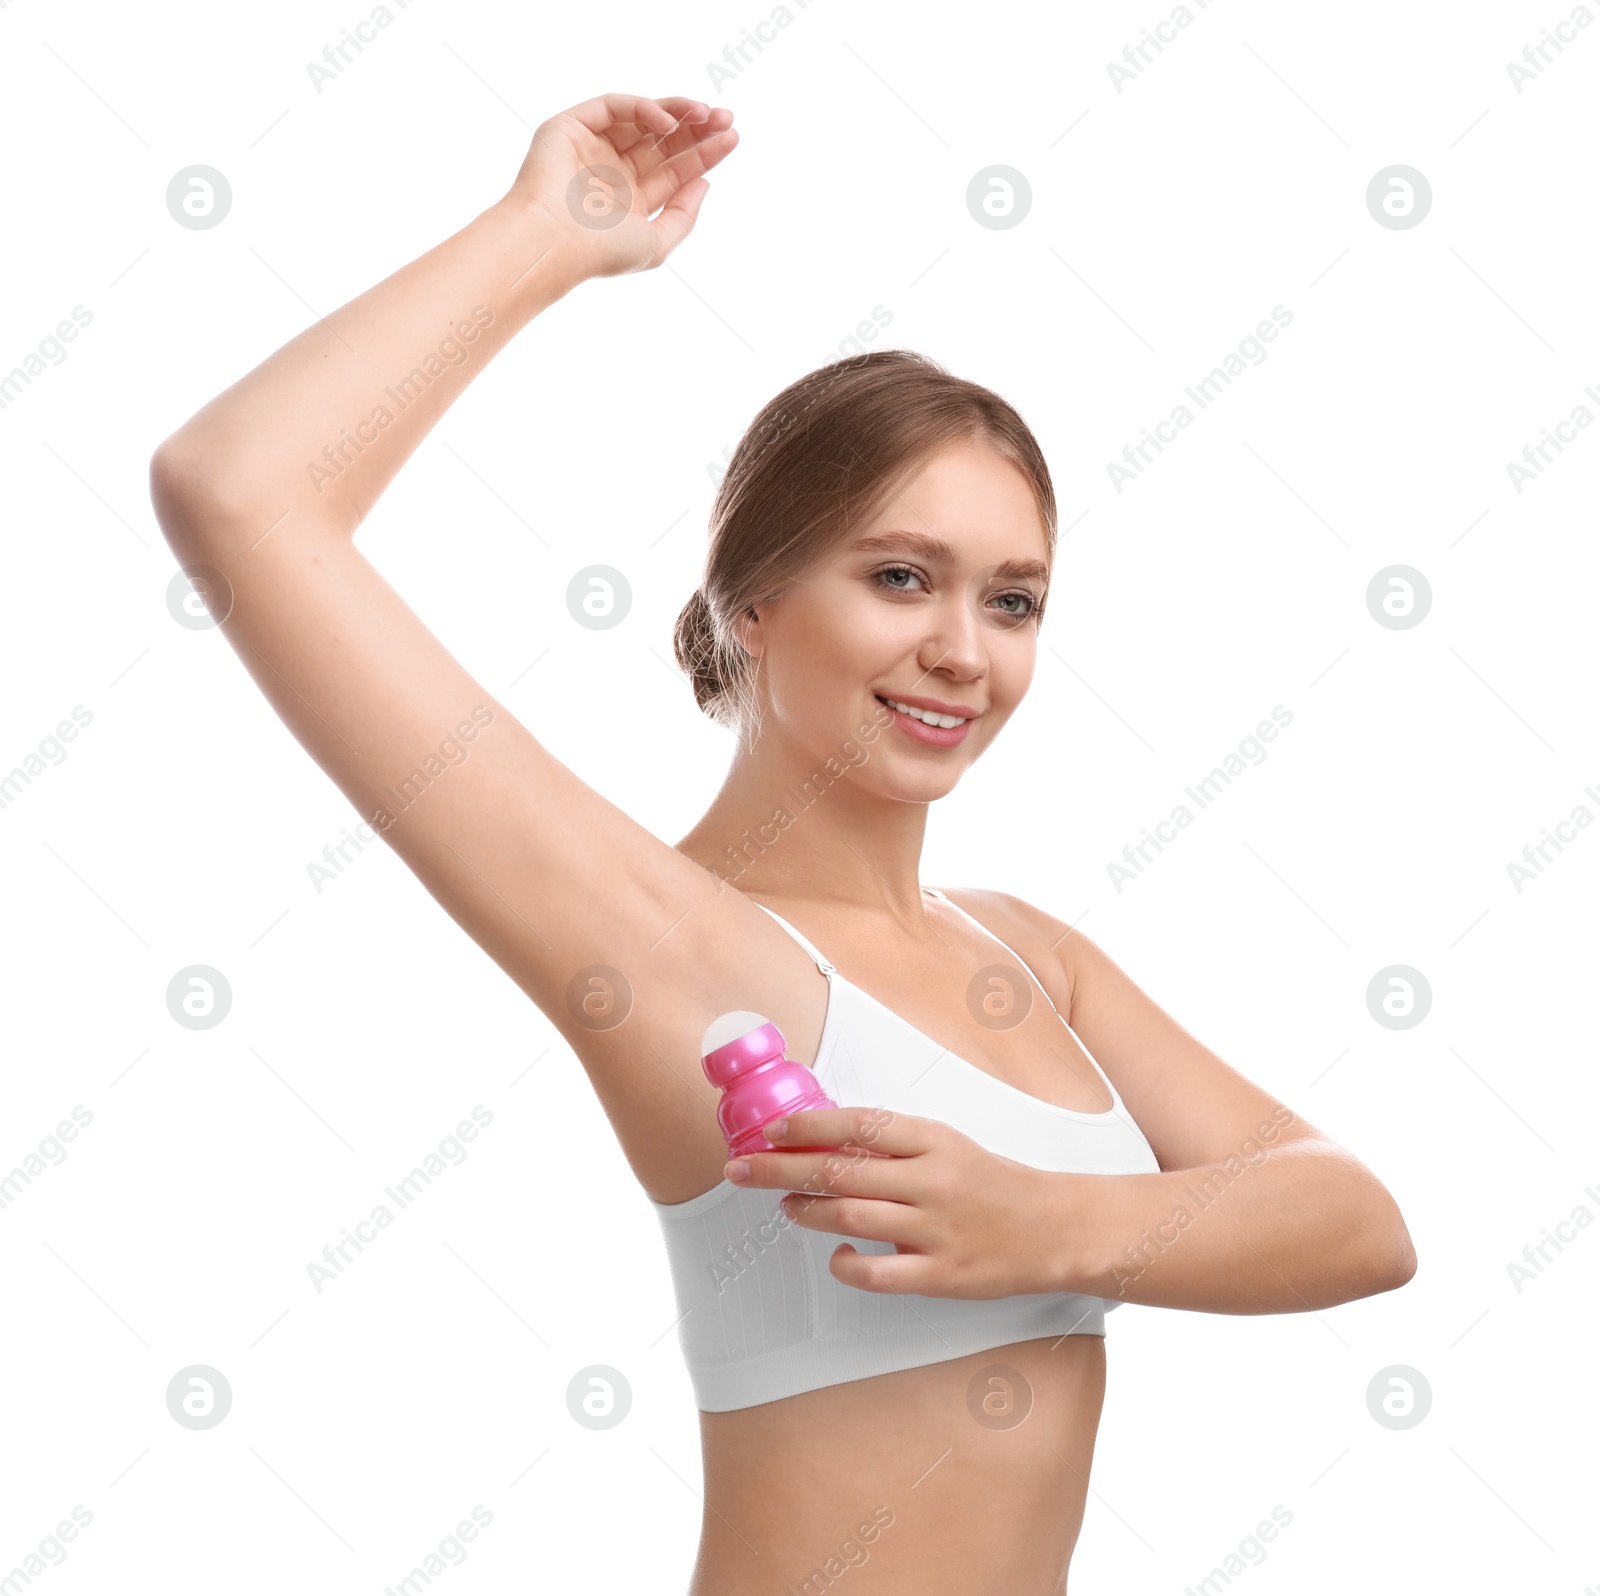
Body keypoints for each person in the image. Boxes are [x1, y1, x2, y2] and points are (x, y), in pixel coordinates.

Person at [149, 92, 1416, 1596]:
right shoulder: (670, 941)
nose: (964, 650)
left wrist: (1045, 1224)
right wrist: (540, 242)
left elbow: (1355, 1219)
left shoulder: (1032, 958)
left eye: (1012, 601)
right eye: (900, 577)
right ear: (753, 603)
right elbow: (238, 495)